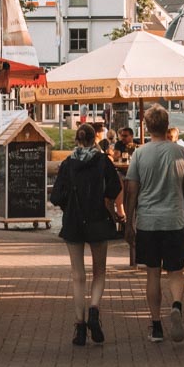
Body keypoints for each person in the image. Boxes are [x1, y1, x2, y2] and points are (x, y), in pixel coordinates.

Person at [125, 105, 184, 344]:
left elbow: (132, 190)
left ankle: (156, 325)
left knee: (152, 273)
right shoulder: (180, 152)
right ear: (167, 125)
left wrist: (128, 222)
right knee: (176, 271)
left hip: (148, 222)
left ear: (146, 126)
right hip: (174, 220)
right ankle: (176, 305)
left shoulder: (139, 154)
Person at [51, 123, 123, 347]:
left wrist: (69, 205)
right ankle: (94, 309)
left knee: (77, 275)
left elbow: (56, 195)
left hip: (73, 221)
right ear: (95, 140)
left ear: (76, 140)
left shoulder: (67, 164)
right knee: (99, 271)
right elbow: (114, 189)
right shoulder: (103, 162)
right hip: (98, 220)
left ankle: (80, 326)